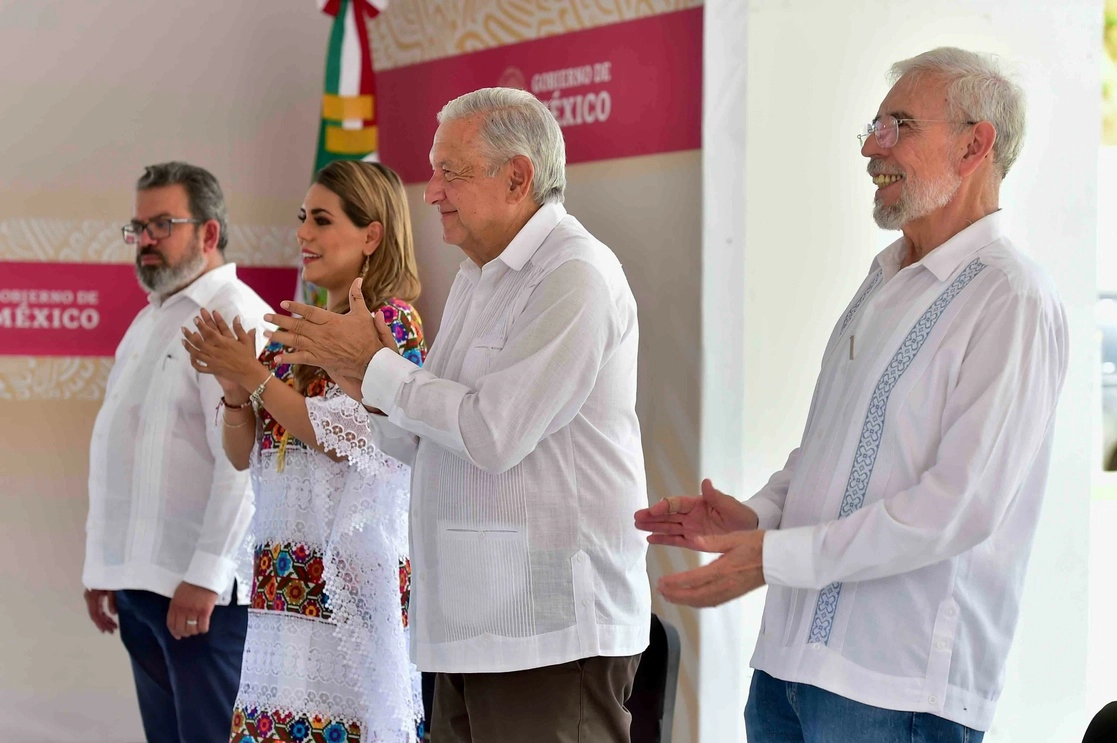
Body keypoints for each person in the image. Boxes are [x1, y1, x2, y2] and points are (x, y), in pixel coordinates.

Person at [636, 47, 1068, 742]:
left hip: (895, 687)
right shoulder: (884, 277)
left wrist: (773, 556)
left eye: (898, 125)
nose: (872, 146)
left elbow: (955, 507)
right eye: (873, 125)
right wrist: (755, 515)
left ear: (974, 145)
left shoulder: (1009, 297)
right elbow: (832, 453)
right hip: (787, 668)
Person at [263, 87, 651, 742]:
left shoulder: (573, 273)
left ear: (517, 177)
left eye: (451, 171)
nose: (432, 191)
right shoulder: (478, 277)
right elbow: (420, 440)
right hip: (468, 629)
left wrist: (380, 368)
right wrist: (358, 373)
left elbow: (493, 433)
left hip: (549, 635)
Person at [181, 160, 425, 742]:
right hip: (282, 587)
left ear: (372, 234)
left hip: (348, 595)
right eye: (302, 218)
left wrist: (258, 380)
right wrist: (238, 393)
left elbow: (351, 438)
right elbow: (245, 454)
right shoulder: (291, 329)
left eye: (321, 219)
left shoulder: (393, 323)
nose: (303, 234)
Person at [83, 162, 273, 743]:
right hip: (142, 585)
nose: (145, 241)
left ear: (209, 234)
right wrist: (103, 564)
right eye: (138, 227)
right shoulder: (150, 319)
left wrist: (209, 573)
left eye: (162, 225)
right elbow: (125, 449)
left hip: (200, 597)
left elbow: (247, 462)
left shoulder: (234, 314)